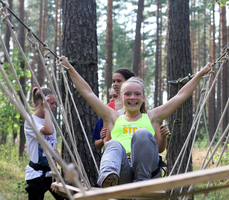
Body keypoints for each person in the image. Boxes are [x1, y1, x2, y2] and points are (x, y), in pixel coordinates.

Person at [60, 56, 210, 187]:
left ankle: (142, 182)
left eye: (137, 94)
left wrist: (200, 74)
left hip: (147, 170)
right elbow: (88, 93)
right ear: (121, 97)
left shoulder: (152, 117)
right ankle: (107, 176)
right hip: (123, 170)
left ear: (143, 97)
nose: (133, 97)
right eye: (128, 94)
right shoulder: (113, 117)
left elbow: (180, 96)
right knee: (112, 143)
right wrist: (70, 68)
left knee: (141, 134)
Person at [24, 87, 65, 200]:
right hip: (36, 175)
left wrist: (64, 167)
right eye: (51, 104)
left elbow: (53, 148)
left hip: (51, 173)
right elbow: (47, 131)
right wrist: (47, 110)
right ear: (43, 103)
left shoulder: (49, 122)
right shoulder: (30, 121)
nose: (54, 106)